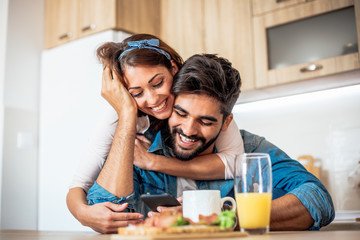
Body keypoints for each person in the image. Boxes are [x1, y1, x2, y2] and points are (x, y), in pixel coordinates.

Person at [87, 54, 335, 232]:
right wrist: (127, 114)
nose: (188, 130)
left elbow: (317, 200)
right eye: (181, 113)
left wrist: (213, 217)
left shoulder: (250, 149)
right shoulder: (140, 148)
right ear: (170, 103)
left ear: (226, 123)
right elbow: (105, 212)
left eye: (205, 121)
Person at [66, 34, 244, 233]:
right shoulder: (122, 112)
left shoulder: (199, 97)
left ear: (174, 69)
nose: (152, 99)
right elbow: (80, 184)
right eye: (137, 93)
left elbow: (235, 162)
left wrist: (151, 161)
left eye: (158, 83)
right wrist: (82, 213)